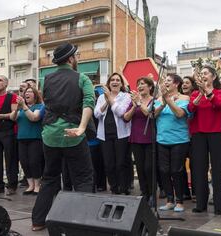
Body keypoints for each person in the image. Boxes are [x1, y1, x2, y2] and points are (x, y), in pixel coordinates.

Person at [31, 43, 94, 231]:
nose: (78, 59)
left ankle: (38, 221)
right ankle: (82, 223)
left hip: (50, 135)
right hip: (72, 133)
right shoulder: (82, 78)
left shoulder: (46, 79)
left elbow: (49, 104)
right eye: (77, 56)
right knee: (83, 178)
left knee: (50, 177)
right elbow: (88, 103)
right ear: (70, 59)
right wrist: (82, 128)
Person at [188, 66, 221, 215]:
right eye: (201, 74)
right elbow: (191, 109)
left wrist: (208, 91)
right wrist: (200, 94)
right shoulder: (195, 93)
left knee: (218, 169)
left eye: (206, 73)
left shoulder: (220, 92)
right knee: (199, 169)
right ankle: (201, 203)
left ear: (213, 77)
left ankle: (219, 205)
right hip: (198, 133)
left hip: (216, 132)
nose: (203, 76)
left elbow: (218, 104)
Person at [155, 74, 190, 212]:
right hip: (162, 139)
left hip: (179, 140)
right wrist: (162, 103)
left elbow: (180, 114)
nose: (165, 83)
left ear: (176, 84)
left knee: (176, 170)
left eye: (168, 81)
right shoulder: (158, 99)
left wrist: (168, 100)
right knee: (163, 171)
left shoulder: (184, 98)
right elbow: (153, 115)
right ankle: (170, 200)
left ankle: (180, 201)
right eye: (165, 81)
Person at [94, 72, 131, 195]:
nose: (115, 82)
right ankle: (114, 188)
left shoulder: (126, 96)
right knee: (109, 164)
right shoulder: (100, 97)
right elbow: (97, 114)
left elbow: (121, 112)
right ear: (109, 83)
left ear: (121, 84)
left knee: (121, 163)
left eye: (117, 80)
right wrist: (106, 101)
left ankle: (124, 188)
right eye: (112, 80)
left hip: (121, 134)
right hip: (104, 135)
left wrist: (111, 99)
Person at [123, 77, 154, 200]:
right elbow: (126, 117)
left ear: (150, 87)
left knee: (148, 167)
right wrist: (133, 106)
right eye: (138, 84)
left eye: (143, 84)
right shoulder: (134, 101)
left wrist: (140, 104)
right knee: (140, 168)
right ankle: (144, 192)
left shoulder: (154, 100)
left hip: (149, 138)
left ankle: (152, 193)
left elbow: (149, 114)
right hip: (136, 138)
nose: (140, 86)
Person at [11, 86, 44, 195]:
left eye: (30, 92)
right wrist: (16, 108)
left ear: (35, 95)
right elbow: (12, 118)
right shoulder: (21, 108)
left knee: (34, 162)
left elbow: (34, 118)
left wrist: (24, 106)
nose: (27, 94)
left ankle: (37, 185)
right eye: (26, 92)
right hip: (22, 138)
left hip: (35, 138)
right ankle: (30, 185)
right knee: (24, 162)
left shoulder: (39, 106)